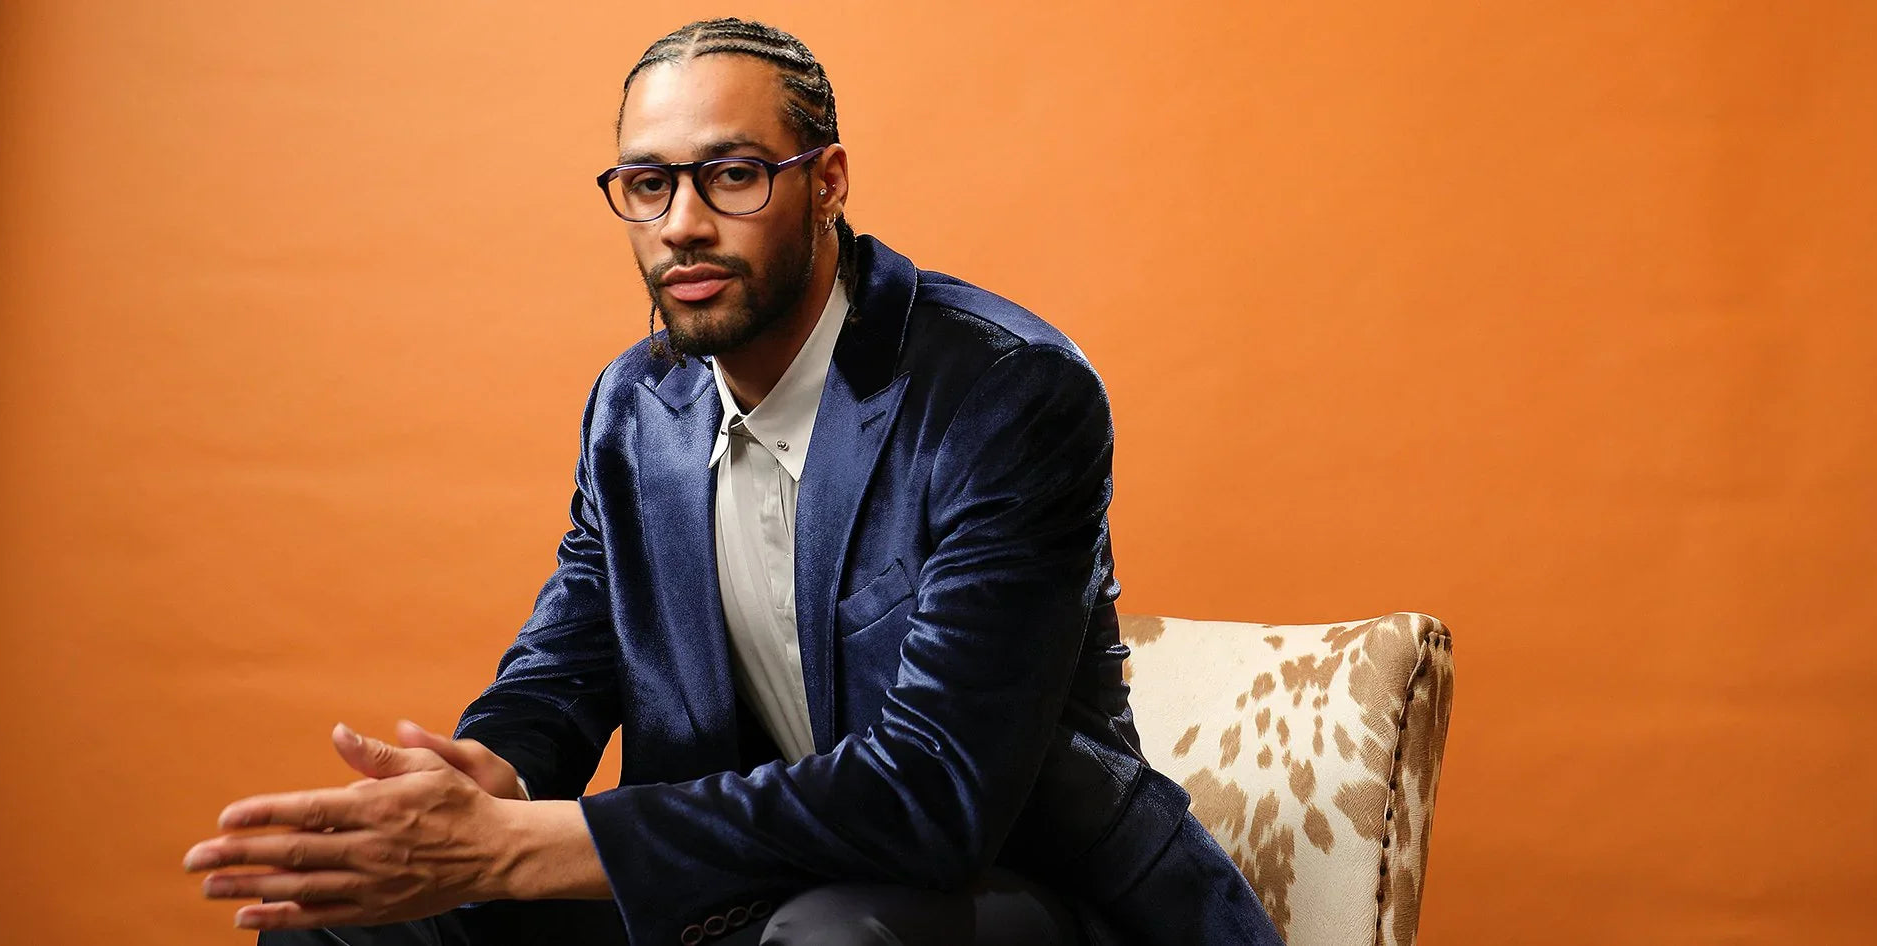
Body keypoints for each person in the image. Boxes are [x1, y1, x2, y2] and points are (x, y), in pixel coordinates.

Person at [183, 17, 1277, 946]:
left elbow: (932, 794)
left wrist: (528, 845)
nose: (682, 225)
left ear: (827, 183)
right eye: (648, 184)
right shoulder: (636, 407)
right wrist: (490, 776)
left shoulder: (1005, 394)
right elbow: (565, 666)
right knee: (344, 919)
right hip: (744, 879)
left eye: (734, 174)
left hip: (1017, 892)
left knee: (829, 936)